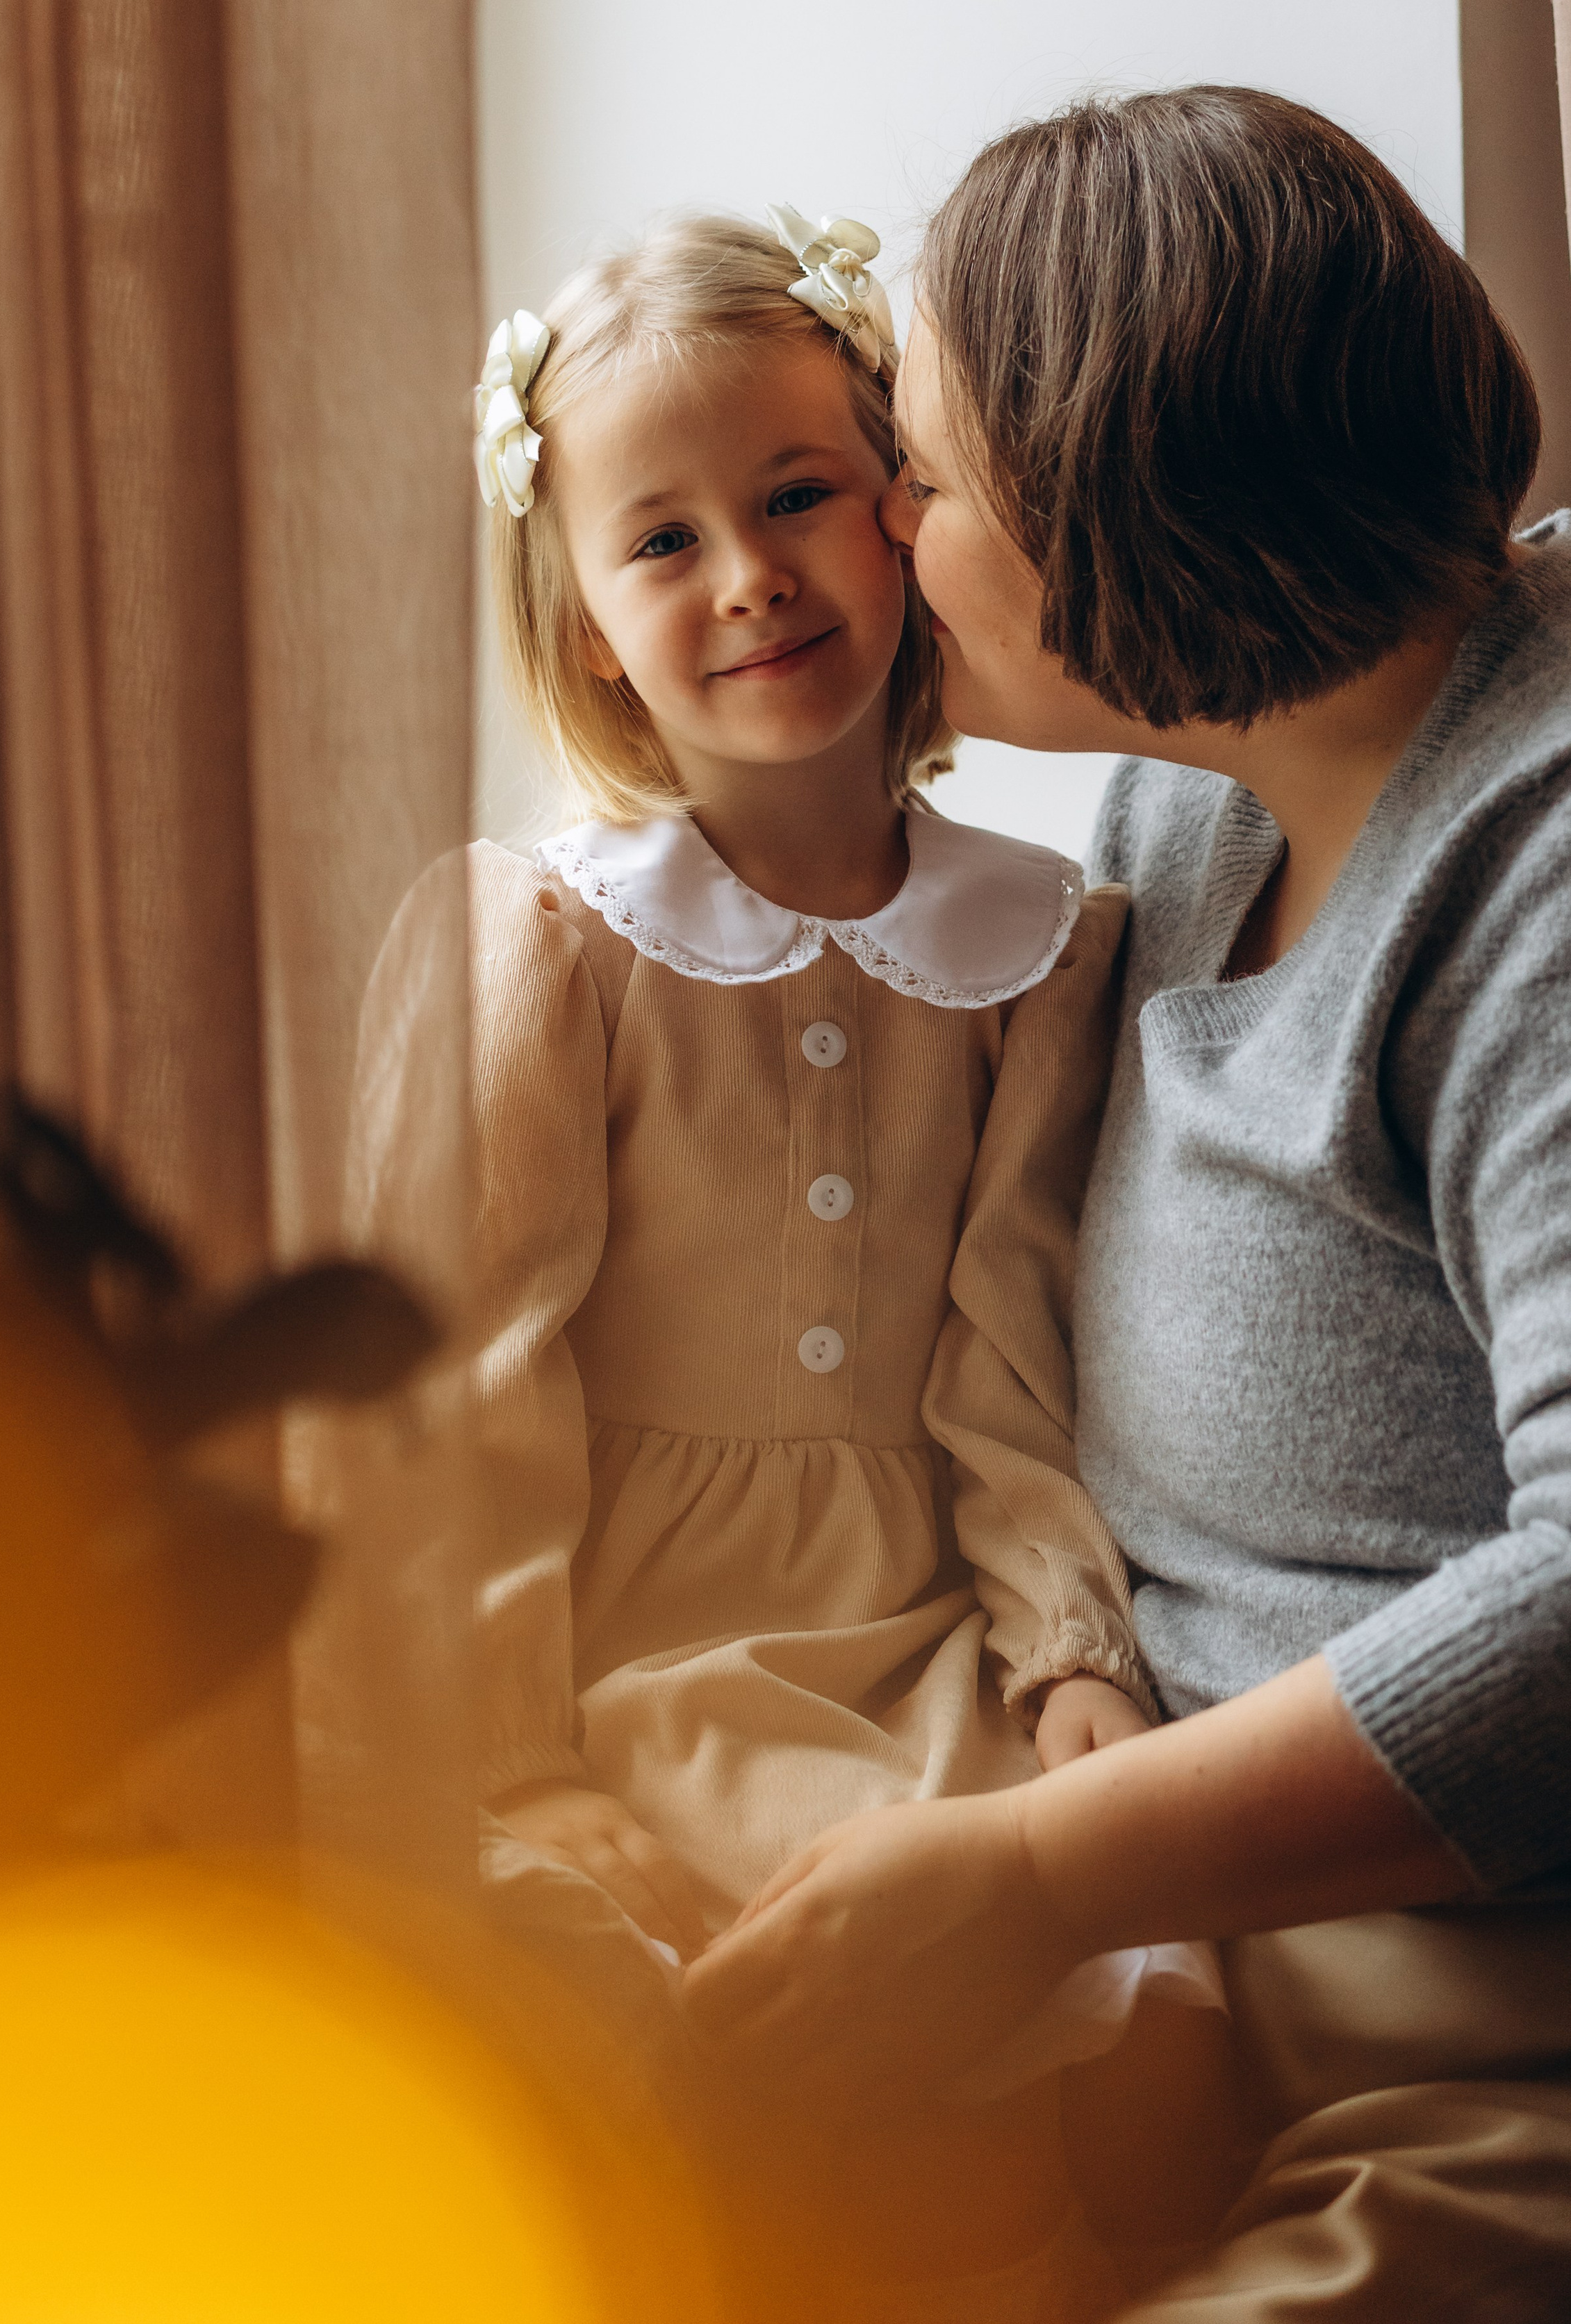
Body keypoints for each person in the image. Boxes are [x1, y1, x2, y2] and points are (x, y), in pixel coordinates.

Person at [682, 88, 1571, 2317]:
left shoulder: (1531, 870)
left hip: (1478, 2018)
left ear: (1132, 514)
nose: (884, 517)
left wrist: (1025, 1882)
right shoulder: (1179, 825)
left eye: (933, 475)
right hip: (1150, 1921)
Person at [349, 206, 1226, 2309]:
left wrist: (1069, 1655)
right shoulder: (550, 937)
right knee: (703, 2032)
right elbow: (463, 1385)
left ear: (903, 517)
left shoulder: (1053, 935)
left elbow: (1015, 1343)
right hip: (621, 1649)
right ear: (581, 627)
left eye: (799, 495)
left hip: (917, 1626)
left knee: (1119, 2014)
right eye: (662, 541)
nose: (749, 573)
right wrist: (513, 1762)